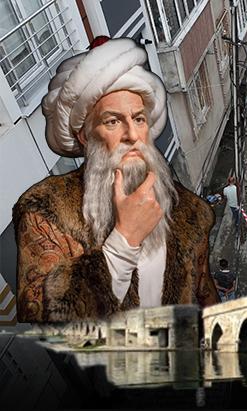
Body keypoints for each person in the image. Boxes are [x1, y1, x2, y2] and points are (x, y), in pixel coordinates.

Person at [13, 38, 219, 322]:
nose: (132, 135)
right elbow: (39, 320)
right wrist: (124, 240)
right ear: (85, 136)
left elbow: (205, 293)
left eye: (139, 119)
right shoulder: (45, 211)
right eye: (112, 121)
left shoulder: (190, 212)